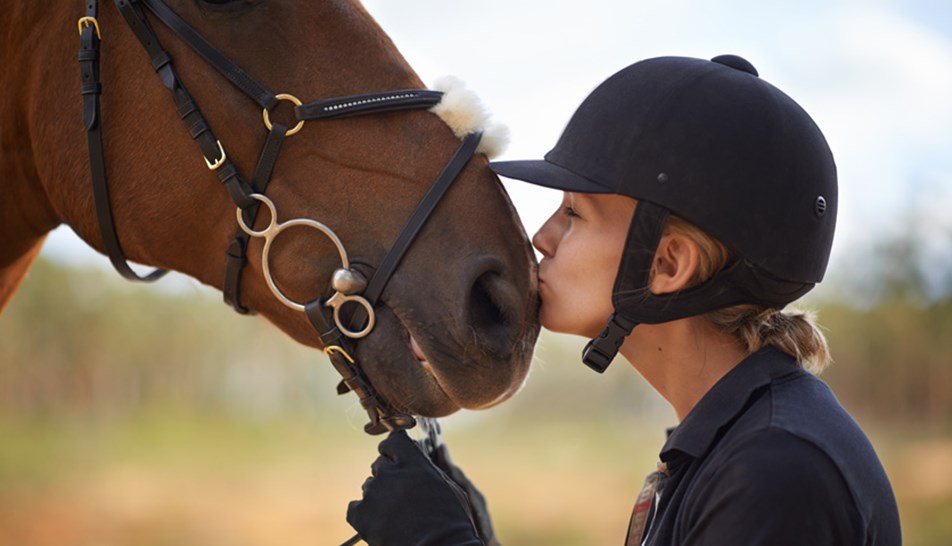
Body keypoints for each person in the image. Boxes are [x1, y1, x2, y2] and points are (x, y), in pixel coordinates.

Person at [345, 54, 902, 545]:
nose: (541, 237)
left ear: (667, 265)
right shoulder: (733, 445)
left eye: (574, 214)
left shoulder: (778, 470)